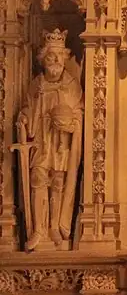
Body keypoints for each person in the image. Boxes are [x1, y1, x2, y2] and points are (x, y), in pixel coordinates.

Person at [17, 29, 82, 250]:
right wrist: (23, 120)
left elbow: (79, 113)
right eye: (51, 55)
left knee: (58, 182)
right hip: (41, 139)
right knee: (38, 178)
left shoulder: (71, 84)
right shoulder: (37, 84)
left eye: (59, 55)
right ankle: (38, 229)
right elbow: (27, 107)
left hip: (60, 143)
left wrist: (71, 124)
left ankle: (55, 226)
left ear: (65, 57)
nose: (55, 60)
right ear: (43, 58)